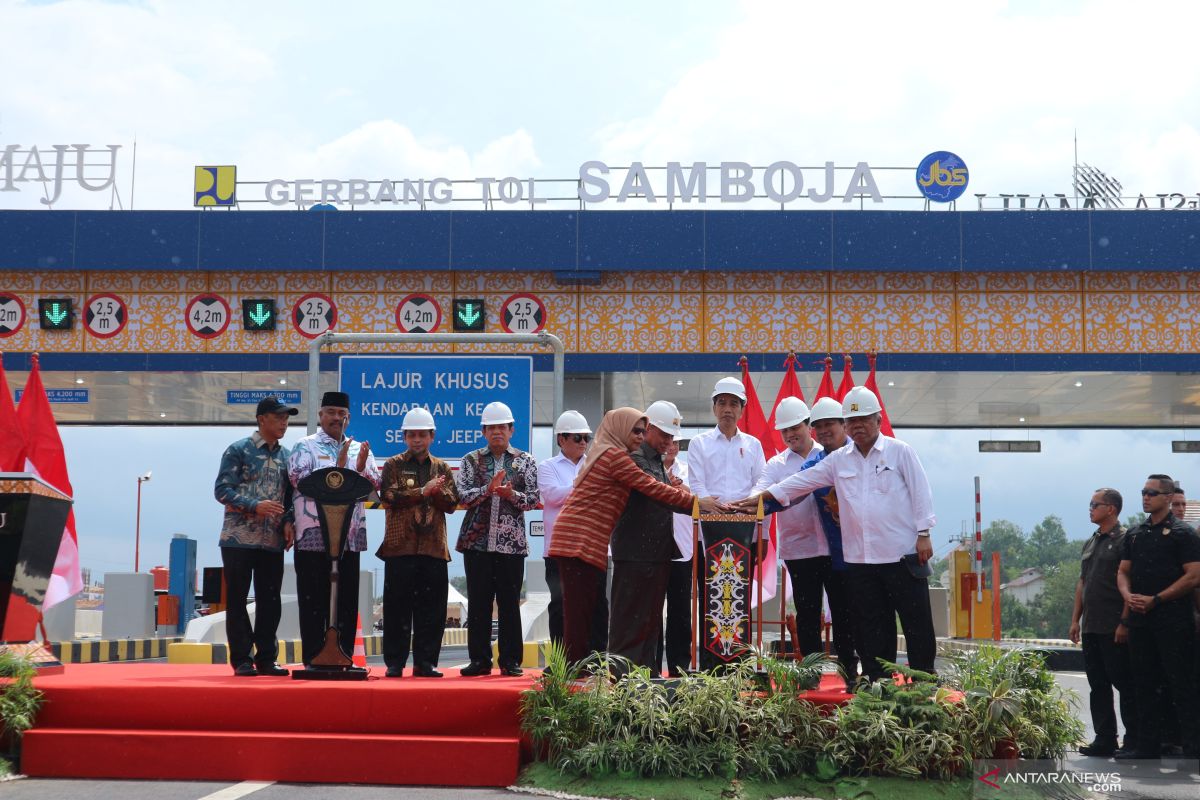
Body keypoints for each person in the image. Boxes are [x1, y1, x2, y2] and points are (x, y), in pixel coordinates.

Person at [737, 386, 936, 682]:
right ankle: (876, 682)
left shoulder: (899, 451)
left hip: (902, 553)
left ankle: (924, 681)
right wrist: (762, 499)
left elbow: (921, 491)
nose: (858, 426)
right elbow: (799, 483)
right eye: (852, 421)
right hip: (861, 560)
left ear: (878, 420)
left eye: (863, 419)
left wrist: (924, 533)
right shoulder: (838, 460)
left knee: (915, 621)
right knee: (872, 625)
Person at [549, 408, 722, 666]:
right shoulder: (616, 457)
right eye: (636, 431)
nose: (641, 436)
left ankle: (580, 671)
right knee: (578, 613)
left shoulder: (611, 453)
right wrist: (699, 504)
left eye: (643, 430)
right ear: (619, 429)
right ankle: (570, 676)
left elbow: (654, 487)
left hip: (586, 541)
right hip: (579, 539)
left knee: (590, 611)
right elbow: (652, 488)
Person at [288, 391, 380, 667]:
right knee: (312, 597)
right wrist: (336, 469)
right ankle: (313, 657)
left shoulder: (359, 449)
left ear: (348, 418)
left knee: (347, 599)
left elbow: (375, 487)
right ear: (321, 415)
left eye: (342, 414)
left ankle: (344, 657)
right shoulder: (305, 446)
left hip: (349, 535)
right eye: (331, 412)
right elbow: (297, 479)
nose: (336, 418)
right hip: (312, 535)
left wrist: (361, 468)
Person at [1116, 473, 1200, 760]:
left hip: (1173, 619)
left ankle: (1192, 745)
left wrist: (1158, 599)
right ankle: (1148, 745)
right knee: (1144, 682)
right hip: (1141, 620)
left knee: (1182, 683)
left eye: (1152, 493)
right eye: (1143, 492)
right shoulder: (1135, 533)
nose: (1146, 497)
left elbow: (1193, 576)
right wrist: (1128, 597)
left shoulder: (1182, 534)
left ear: (1167, 497)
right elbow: (1123, 571)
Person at [213, 396, 297, 677]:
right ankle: (242, 659)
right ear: (262, 419)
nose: (284, 422)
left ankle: (267, 658)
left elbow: (290, 498)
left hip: (272, 542)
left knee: (270, 601)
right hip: (238, 539)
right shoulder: (238, 450)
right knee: (237, 599)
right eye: (279, 416)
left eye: (287, 417)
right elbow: (222, 490)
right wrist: (253, 506)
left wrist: (288, 522)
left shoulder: (288, 457)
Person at [455, 401, 539, 677]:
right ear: (483, 431)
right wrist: (487, 490)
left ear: (512, 430)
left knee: (509, 602)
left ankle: (510, 660)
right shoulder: (470, 460)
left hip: (511, 544)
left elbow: (534, 499)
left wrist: (511, 495)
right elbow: (462, 496)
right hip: (476, 542)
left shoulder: (525, 461)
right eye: (491, 427)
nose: (497, 432)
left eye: (502, 427)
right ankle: (479, 660)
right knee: (478, 602)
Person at [686, 376, 766, 669]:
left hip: (744, 531)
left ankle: (740, 664)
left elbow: (761, 482)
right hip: (710, 532)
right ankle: (709, 664)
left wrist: (747, 505)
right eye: (722, 403)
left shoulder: (754, 444)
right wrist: (711, 503)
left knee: (739, 598)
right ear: (714, 407)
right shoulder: (699, 443)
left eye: (734, 403)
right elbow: (697, 485)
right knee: (712, 597)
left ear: (742, 409)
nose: (727, 409)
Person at [377, 407, 458, 679]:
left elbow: (451, 503)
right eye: (411, 434)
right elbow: (388, 495)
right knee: (397, 608)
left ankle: (426, 663)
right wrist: (422, 491)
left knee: (432, 611)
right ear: (404, 436)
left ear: (432, 436)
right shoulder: (393, 465)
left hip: (434, 548)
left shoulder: (443, 467)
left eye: (422, 434)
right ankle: (394, 663)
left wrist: (435, 492)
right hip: (400, 546)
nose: (417, 440)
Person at [609, 400, 685, 673]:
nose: (668, 441)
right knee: (629, 620)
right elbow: (658, 494)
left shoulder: (657, 461)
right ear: (649, 427)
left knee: (650, 621)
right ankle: (622, 678)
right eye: (664, 435)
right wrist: (695, 502)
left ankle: (648, 675)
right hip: (634, 552)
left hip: (656, 552)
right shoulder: (634, 458)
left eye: (671, 437)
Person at [753, 398, 830, 666]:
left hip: (836, 548)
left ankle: (849, 671)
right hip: (799, 550)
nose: (789, 435)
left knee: (844, 610)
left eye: (794, 427)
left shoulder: (828, 454)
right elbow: (758, 496)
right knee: (807, 613)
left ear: (809, 426)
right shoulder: (776, 465)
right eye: (784, 430)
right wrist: (761, 536)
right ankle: (811, 669)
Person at [1069, 488, 1136, 758]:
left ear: (1111, 508)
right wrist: (1075, 620)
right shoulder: (1091, 541)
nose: (1090, 508)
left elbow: (1131, 582)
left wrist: (1125, 622)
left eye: (1094, 504)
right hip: (1092, 626)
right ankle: (1104, 738)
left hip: (1113, 625)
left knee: (1125, 682)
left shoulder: (1125, 540)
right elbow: (1082, 583)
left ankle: (1135, 738)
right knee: (1098, 684)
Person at [800, 396, 861, 686]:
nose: (824, 431)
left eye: (830, 425)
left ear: (844, 425)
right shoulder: (815, 463)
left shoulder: (861, 453)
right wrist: (757, 503)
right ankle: (829, 673)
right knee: (828, 615)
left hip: (866, 553)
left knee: (858, 615)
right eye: (818, 426)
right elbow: (793, 488)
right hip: (834, 554)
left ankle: (865, 672)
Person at [537, 410, 606, 650]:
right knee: (559, 604)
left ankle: (596, 659)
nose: (584, 443)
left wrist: (573, 490)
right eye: (577, 438)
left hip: (591, 547)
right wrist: (581, 488)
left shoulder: (595, 465)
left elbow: (600, 497)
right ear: (561, 439)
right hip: (558, 549)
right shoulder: (547, 467)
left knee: (597, 604)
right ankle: (560, 660)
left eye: (586, 438)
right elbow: (551, 495)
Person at [660, 437, 694, 677]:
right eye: (667, 440)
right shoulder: (645, 466)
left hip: (682, 548)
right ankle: (648, 665)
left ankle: (679, 666)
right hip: (651, 549)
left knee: (680, 611)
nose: (671, 446)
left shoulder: (688, 470)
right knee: (650, 611)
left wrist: (679, 489)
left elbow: (696, 497)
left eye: (675, 442)